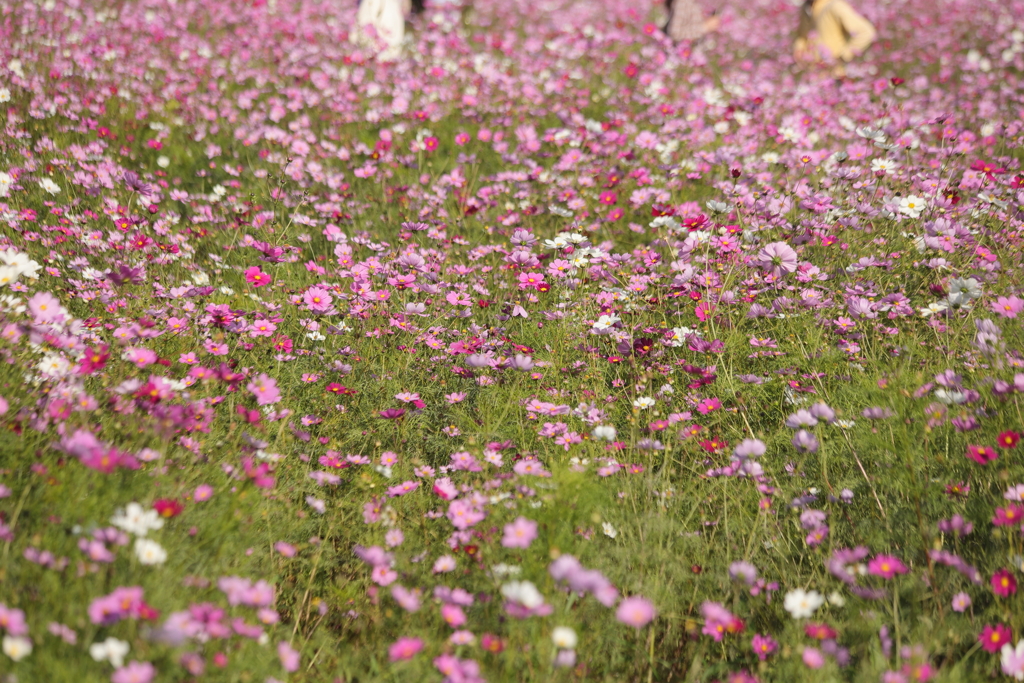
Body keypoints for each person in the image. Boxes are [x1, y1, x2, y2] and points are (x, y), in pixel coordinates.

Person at [793, 0, 876, 77]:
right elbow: (803, 35)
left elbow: (866, 32)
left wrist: (843, 56)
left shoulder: (835, 6)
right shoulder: (806, 8)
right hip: (813, 75)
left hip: (834, 75)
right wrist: (799, 49)